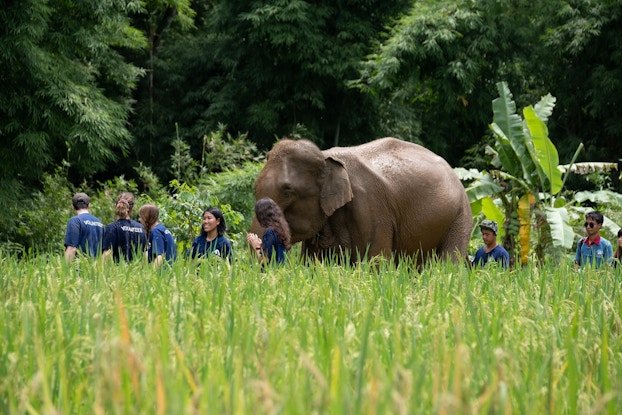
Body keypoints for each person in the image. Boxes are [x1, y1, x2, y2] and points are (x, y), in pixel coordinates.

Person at [102, 192, 147, 263]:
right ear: (132, 208)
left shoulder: (112, 227)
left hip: (118, 272)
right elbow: (145, 255)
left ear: (115, 206)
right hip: (137, 272)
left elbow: (107, 254)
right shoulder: (141, 228)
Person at [246, 197, 291, 265]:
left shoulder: (269, 232)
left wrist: (256, 247)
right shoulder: (281, 229)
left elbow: (264, 260)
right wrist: (261, 244)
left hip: (271, 272)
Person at [64, 192, 104, 262]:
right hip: (97, 269)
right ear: (89, 206)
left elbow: (71, 248)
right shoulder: (99, 223)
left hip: (80, 269)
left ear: (72, 207)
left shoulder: (75, 221)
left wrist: (64, 270)